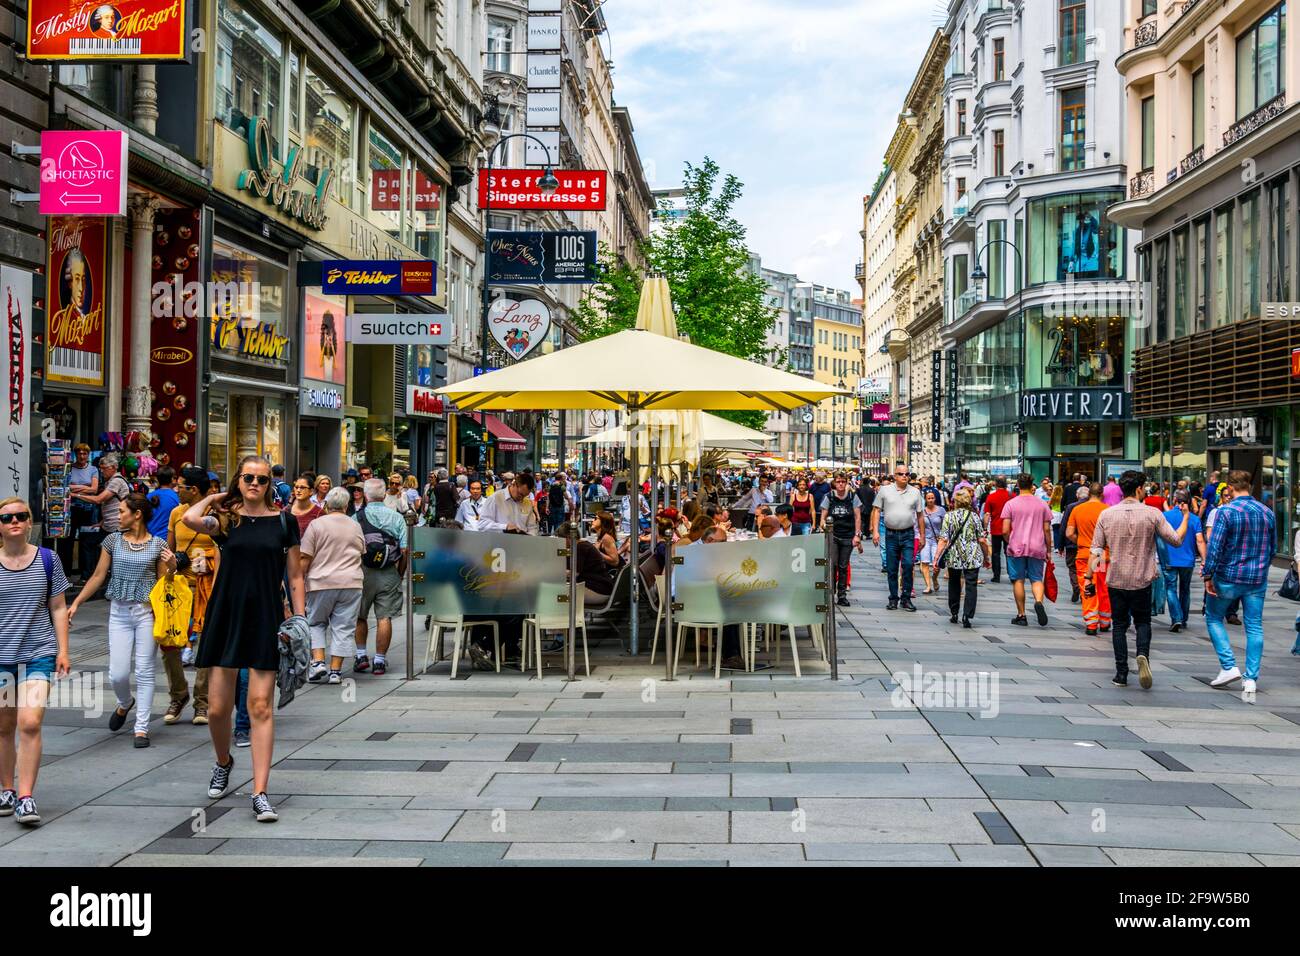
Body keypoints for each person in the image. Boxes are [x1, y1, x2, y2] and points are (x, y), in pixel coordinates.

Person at [181, 455, 306, 823]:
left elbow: (295, 576)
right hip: (226, 615)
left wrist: (299, 619)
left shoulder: (285, 522)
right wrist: (217, 496)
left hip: (266, 616)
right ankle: (224, 761)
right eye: (248, 478)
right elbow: (190, 519)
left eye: (262, 479)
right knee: (218, 709)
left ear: (271, 485)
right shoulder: (226, 520)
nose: (255, 484)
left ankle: (260, 791)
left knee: (260, 706)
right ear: (239, 480)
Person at [68, 494, 175, 748]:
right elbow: (97, 575)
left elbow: (164, 586)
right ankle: (125, 703)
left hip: (147, 613)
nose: (117, 516)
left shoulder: (158, 545)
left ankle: (141, 728)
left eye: (122, 511)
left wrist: (171, 567)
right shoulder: (112, 541)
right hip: (119, 612)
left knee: (146, 671)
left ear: (137, 514)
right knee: (117, 674)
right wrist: (76, 602)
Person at [0, 498, 71, 827]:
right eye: (6, 517)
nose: (14, 521)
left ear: (30, 522)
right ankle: (7, 789)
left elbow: (58, 607)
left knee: (29, 722)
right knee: (4, 727)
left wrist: (63, 650)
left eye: (20, 516)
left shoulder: (47, 559)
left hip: (38, 654)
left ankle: (26, 797)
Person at [1089, 470, 1190, 690]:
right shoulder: (1152, 513)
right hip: (1142, 579)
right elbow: (1175, 540)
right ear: (1138, 489)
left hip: (1116, 579)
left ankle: (1121, 673)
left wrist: (1090, 577)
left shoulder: (1107, 514)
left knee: (1119, 626)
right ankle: (1142, 655)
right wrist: (1185, 518)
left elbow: (1096, 550)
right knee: (1143, 622)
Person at [1201, 469, 1274, 703]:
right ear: (1249, 487)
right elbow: (1272, 549)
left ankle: (1229, 666)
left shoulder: (1226, 512)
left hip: (1228, 575)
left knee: (1213, 617)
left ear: (1230, 489)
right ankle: (1251, 678)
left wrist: (1208, 574)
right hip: (1256, 578)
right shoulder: (1267, 512)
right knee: (1254, 626)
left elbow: (1215, 546)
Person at [300, 487, 364, 685]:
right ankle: (335, 672)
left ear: (326, 504)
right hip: (351, 583)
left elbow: (305, 556)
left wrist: (300, 579)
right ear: (346, 505)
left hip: (320, 582)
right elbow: (362, 551)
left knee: (316, 622)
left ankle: (318, 662)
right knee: (343, 627)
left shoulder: (317, 525)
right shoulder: (355, 525)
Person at [168, 467, 217, 720]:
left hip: (208, 587)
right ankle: (178, 694)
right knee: (169, 642)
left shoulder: (214, 515)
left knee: (207, 643)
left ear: (194, 490)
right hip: (180, 585)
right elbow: (170, 549)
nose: (177, 490)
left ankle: (202, 700)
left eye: (181, 486)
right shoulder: (176, 513)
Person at [353, 478, 409, 677]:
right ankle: (379, 660)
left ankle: (360, 656)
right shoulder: (396, 518)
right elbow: (405, 550)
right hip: (388, 571)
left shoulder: (356, 517)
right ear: (384, 495)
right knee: (384, 617)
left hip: (362, 572)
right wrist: (399, 573)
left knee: (360, 615)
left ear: (366, 496)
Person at [72, 453, 131, 595]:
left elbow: (99, 499)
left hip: (117, 526)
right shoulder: (110, 481)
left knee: (100, 548)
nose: (101, 471)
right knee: (93, 544)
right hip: (109, 525)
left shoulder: (116, 481)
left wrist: (76, 495)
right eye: (101, 468)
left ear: (113, 468)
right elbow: (114, 504)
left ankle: (98, 579)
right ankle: (96, 578)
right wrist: (102, 522)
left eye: (104, 468)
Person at [931, 488, 990, 627]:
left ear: (955, 502)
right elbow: (982, 539)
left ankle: (954, 612)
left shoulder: (949, 516)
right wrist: (987, 557)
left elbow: (943, 539)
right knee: (971, 585)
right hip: (972, 555)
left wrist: (936, 557)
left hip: (954, 555)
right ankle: (967, 615)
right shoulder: (974, 516)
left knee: (954, 583)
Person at [1001, 474, 1054, 628]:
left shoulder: (1011, 504)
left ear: (1018, 484)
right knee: (1037, 579)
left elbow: (1005, 530)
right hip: (1037, 546)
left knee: (1018, 580)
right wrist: (1048, 549)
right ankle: (1038, 602)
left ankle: (1021, 615)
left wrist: (1009, 540)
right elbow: (1046, 530)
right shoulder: (1042, 504)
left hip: (1016, 546)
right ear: (1032, 486)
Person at [871, 465, 923, 611]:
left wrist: (922, 536)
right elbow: (876, 510)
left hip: (908, 534)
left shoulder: (915, 492)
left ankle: (906, 598)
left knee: (908, 565)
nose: (904, 476)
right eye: (901, 474)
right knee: (892, 568)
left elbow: (920, 515)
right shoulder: (885, 490)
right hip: (891, 534)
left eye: (907, 474)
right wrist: (875, 531)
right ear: (894, 476)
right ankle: (893, 598)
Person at [1067, 482, 1110, 635]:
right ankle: (1105, 622)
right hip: (1102, 555)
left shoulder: (1077, 509)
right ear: (1102, 494)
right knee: (1103, 588)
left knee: (1087, 587)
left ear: (1089, 493)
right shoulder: (1107, 510)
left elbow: (1069, 533)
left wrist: (1082, 542)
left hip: (1084, 555)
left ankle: (1091, 624)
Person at [1162, 490, 1205, 633]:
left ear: (1174, 500)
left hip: (1169, 558)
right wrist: (1205, 560)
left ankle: (1176, 618)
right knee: (1185, 589)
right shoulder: (1194, 519)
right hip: (1188, 560)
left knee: (1170, 588)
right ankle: (1184, 619)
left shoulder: (1165, 516)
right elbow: (1199, 540)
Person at [61, 443, 100, 585]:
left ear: (88, 455)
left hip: (88, 511)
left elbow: (94, 489)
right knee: (67, 542)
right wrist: (85, 487)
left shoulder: (93, 469)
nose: (82, 456)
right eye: (79, 453)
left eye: (85, 453)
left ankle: (85, 575)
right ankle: (66, 574)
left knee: (86, 543)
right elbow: (65, 486)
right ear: (75, 454)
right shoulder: (69, 468)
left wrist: (75, 490)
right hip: (71, 510)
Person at [1058, 485, 1089, 603]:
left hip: (1071, 543)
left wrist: (1060, 546)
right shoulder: (1094, 507)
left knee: (1072, 567)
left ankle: (1076, 587)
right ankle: (1083, 589)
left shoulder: (1071, 507)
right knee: (1086, 568)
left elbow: (1063, 527)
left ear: (1077, 496)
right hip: (1088, 544)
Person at [981, 477, 1013, 583]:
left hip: (995, 529)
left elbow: (987, 514)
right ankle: (1012, 574)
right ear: (1006, 484)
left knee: (996, 553)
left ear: (996, 484)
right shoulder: (1012, 496)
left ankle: (996, 575)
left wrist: (985, 528)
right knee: (1009, 552)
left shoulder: (991, 497)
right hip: (1009, 529)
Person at [917, 491, 946, 595]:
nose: (930, 500)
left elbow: (946, 525)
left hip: (937, 540)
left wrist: (944, 536)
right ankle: (928, 586)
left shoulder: (941, 510)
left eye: (932, 498)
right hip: (925, 539)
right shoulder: (922, 511)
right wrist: (919, 537)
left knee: (936, 563)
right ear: (925, 499)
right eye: (928, 498)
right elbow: (918, 525)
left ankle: (934, 578)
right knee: (924, 562)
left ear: (935, 499)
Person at [145, 467, 180, 539]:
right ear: (172, 479)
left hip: (148, 538)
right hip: (166, 540)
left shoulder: (148, 496)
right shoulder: (176, 498)